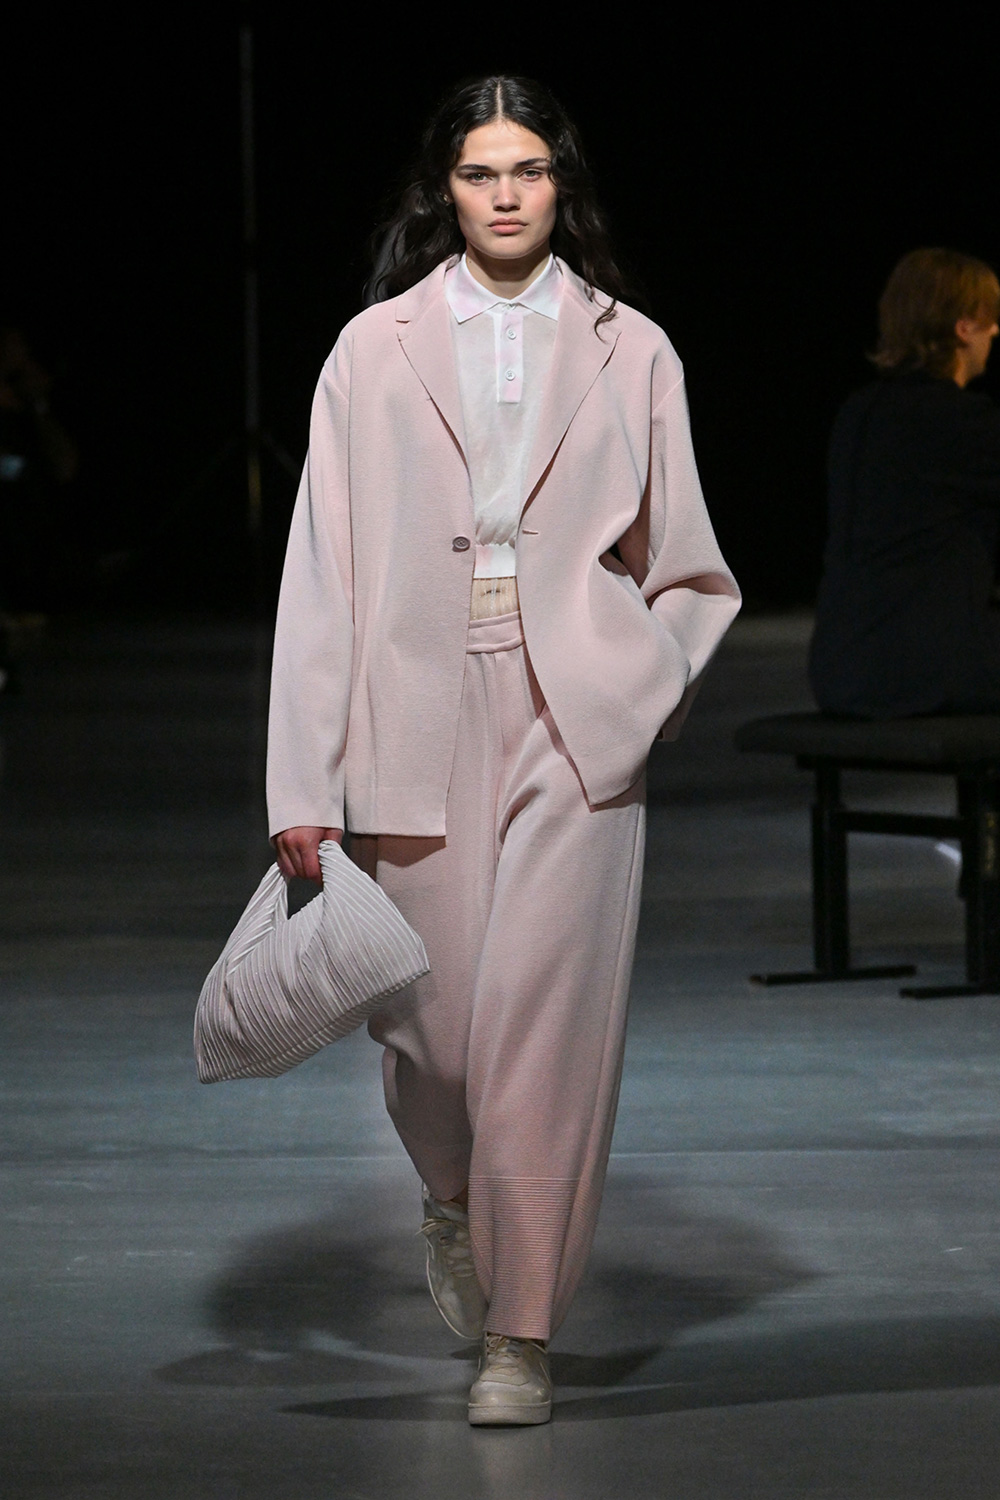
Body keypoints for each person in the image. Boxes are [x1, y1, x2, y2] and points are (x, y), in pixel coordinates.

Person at [266, 75, 739, 1425]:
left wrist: (640, 690)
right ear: (447, 190)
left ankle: (518, 1337)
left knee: (544, 1036)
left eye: (529, 168)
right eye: (481, 172)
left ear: (559, 183)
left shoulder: (633, 349)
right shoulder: (373, 350)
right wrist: (303, 777)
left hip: (572, 720)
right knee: (434, 1038)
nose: (507, 193)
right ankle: (453, 1197)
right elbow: (322, 571)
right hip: (409, 710)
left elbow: (688, 565)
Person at [809, 247, 1000, 717]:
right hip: (927, 673)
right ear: (964, 326)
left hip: (838, 670)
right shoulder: (965, 422)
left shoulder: (857, 414)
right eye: (989, 317)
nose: (996, 330)